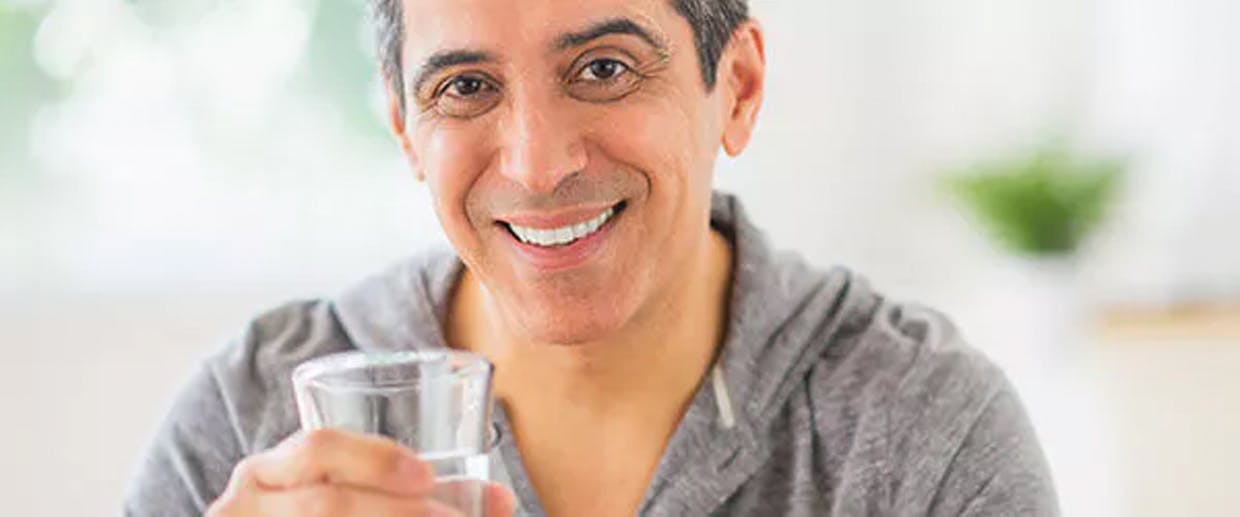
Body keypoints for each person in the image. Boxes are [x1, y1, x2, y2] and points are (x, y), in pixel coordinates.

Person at [125, 0, 1058, 515]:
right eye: (466, 85)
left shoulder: (921, 439)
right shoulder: (248, 425)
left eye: (603, 68)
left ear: (733, 87)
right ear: (406, 124)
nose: (536, 163)